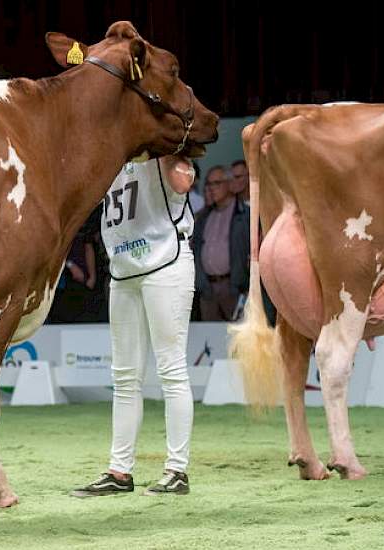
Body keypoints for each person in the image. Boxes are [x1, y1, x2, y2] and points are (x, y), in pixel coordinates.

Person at [72, 155, 196, 498]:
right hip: (124, 269)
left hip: (166, 263)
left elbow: (183, 182)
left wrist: (164, 151)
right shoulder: (113, 152)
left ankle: (176, 470)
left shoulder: (162, 147)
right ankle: (119, 471)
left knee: (171, 368)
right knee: (124, 376)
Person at [191, 165, 250, 322]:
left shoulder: (244, 215)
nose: (211, 188)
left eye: (216, 183)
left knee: (236, 339)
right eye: (208, 184)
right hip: (207, 289)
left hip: (233, 287)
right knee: (209, 340)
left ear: (230, 185)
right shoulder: (202, 217)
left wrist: (243, 285)